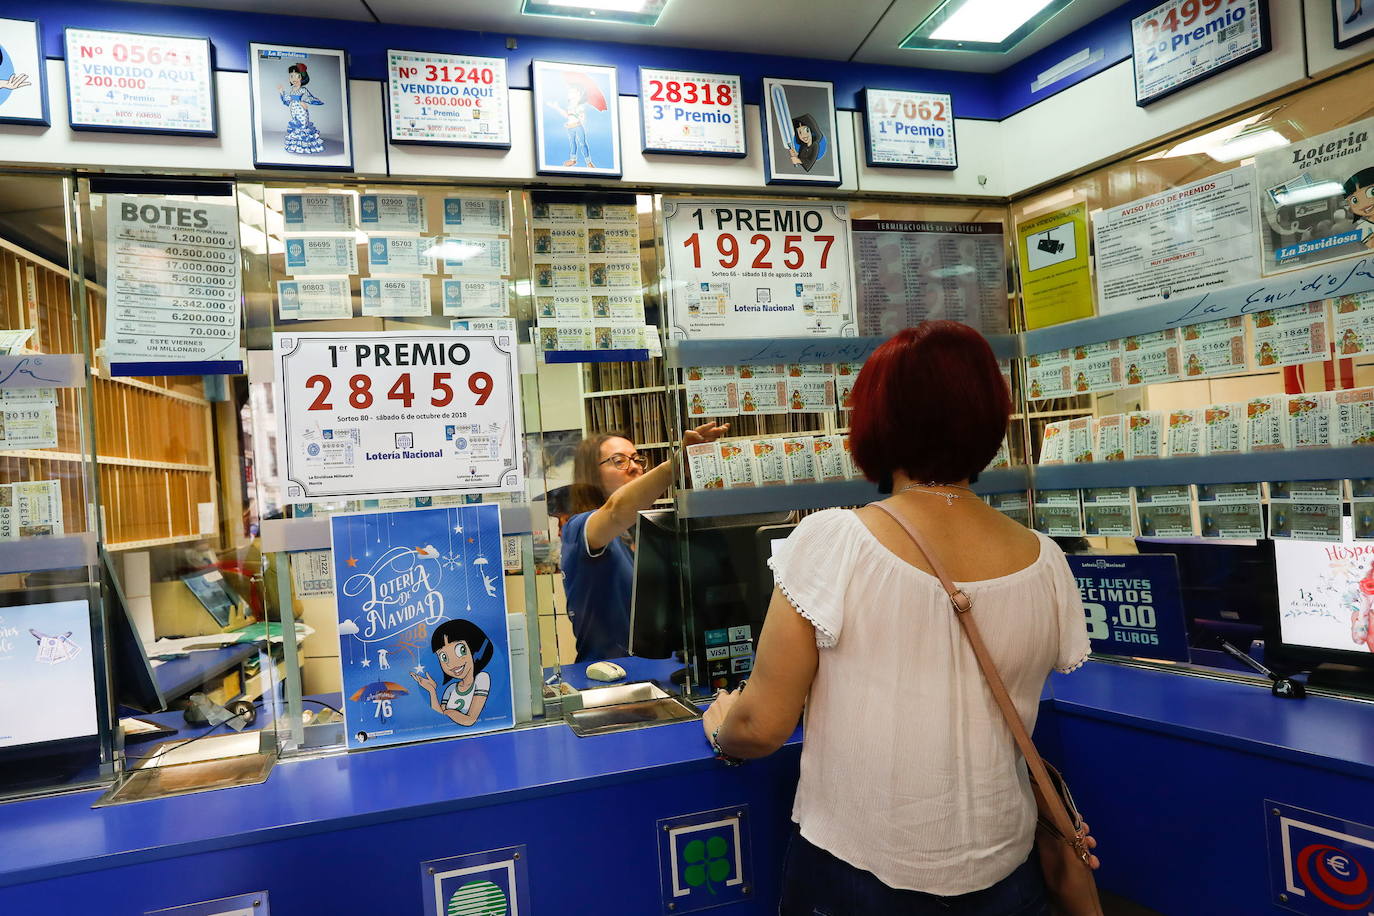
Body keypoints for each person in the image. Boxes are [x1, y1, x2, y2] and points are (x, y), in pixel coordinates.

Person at [702, 321, 1098, 914]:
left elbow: (760, 728)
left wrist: (720, 722)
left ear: (876, 421)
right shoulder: (1047, 562)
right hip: (1006, 868)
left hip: (858, 875)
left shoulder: (835, 539)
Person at [561, 422, 728, 662]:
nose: (634, 468)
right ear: (591, 475)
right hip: (608, 676)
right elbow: (616, 510)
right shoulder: (578, 528)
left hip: (663, 668)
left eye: (637, 459)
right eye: (619, 461)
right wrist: (675, 466)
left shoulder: (647, 532)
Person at [277, 62, 324, 155]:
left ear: (302, 77)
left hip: (301, 110)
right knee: (296, 125)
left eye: (296, 76)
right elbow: (288, 100)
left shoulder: (303, 89)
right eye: (291, 76)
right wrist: (282, 92)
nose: (294, 79)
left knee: (303, 125)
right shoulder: (292, 90)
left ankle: (305, 146)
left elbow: (308, 97)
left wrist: (304, 102)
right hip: (293, 109)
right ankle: (296, 145)